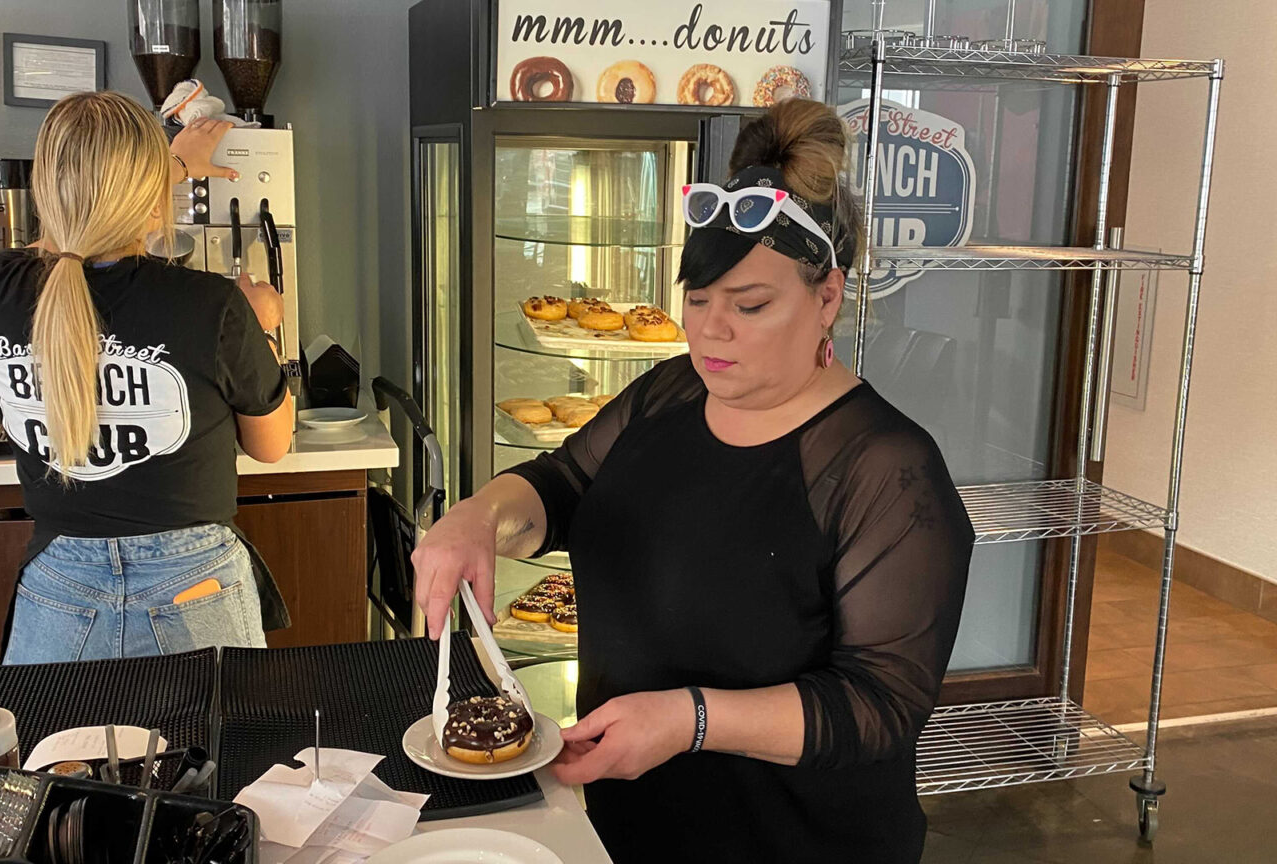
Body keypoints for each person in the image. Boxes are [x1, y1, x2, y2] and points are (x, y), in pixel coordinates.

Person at [411, 99, 975, 862]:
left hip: (791, 842)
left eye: (750, 304)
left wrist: (691, 721)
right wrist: (479, 516)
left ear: (827, 299)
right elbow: (564, 482)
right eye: (699, 299)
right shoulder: (670, 393)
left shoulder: (886, 470)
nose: (710, 330)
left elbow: (879, 704)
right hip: (628, 821)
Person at [0, 92, 295, 663]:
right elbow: (271, 447)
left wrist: (169, 166)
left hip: (58, 585)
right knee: (221, 752)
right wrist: (264, 326)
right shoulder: (211, 303)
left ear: (45, 185)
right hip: (198, 584)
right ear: (147, 192)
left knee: (56, 751)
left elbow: (66, 242)